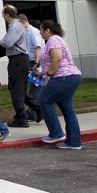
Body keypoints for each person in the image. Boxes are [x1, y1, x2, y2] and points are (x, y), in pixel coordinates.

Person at [36, 21, 84, 149]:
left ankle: (56, 133)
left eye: (41, 30)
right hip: (71, 76)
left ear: (47, 30)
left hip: (63, 77)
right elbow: (56, 60)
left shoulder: (53, 39)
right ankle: (74, 142)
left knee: (44, 100)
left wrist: (49, 75)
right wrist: (43, 72)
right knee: (68, 110)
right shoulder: (57, 40)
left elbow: (57, 58)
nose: (40, 32)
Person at [0, 4, 32, 128]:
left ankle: (21, 118)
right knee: (19, 88)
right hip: (19, 60)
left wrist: (1, 42)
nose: (2, 16)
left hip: (17, 59)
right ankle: (36, 109)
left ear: (7, 14)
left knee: (16, 88)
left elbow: (7, 42)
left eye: (3, 14)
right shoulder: (17, 25)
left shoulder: (14, 27)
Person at [19, 13, 44, 123]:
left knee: (36, 87)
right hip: (31, 61)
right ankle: (32, 112)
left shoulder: (33, 32)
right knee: (33, 88)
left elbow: (38, 47)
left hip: (34, 61)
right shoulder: (26, 32)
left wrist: (37, 64)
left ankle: (33, 112)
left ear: (24, 21)